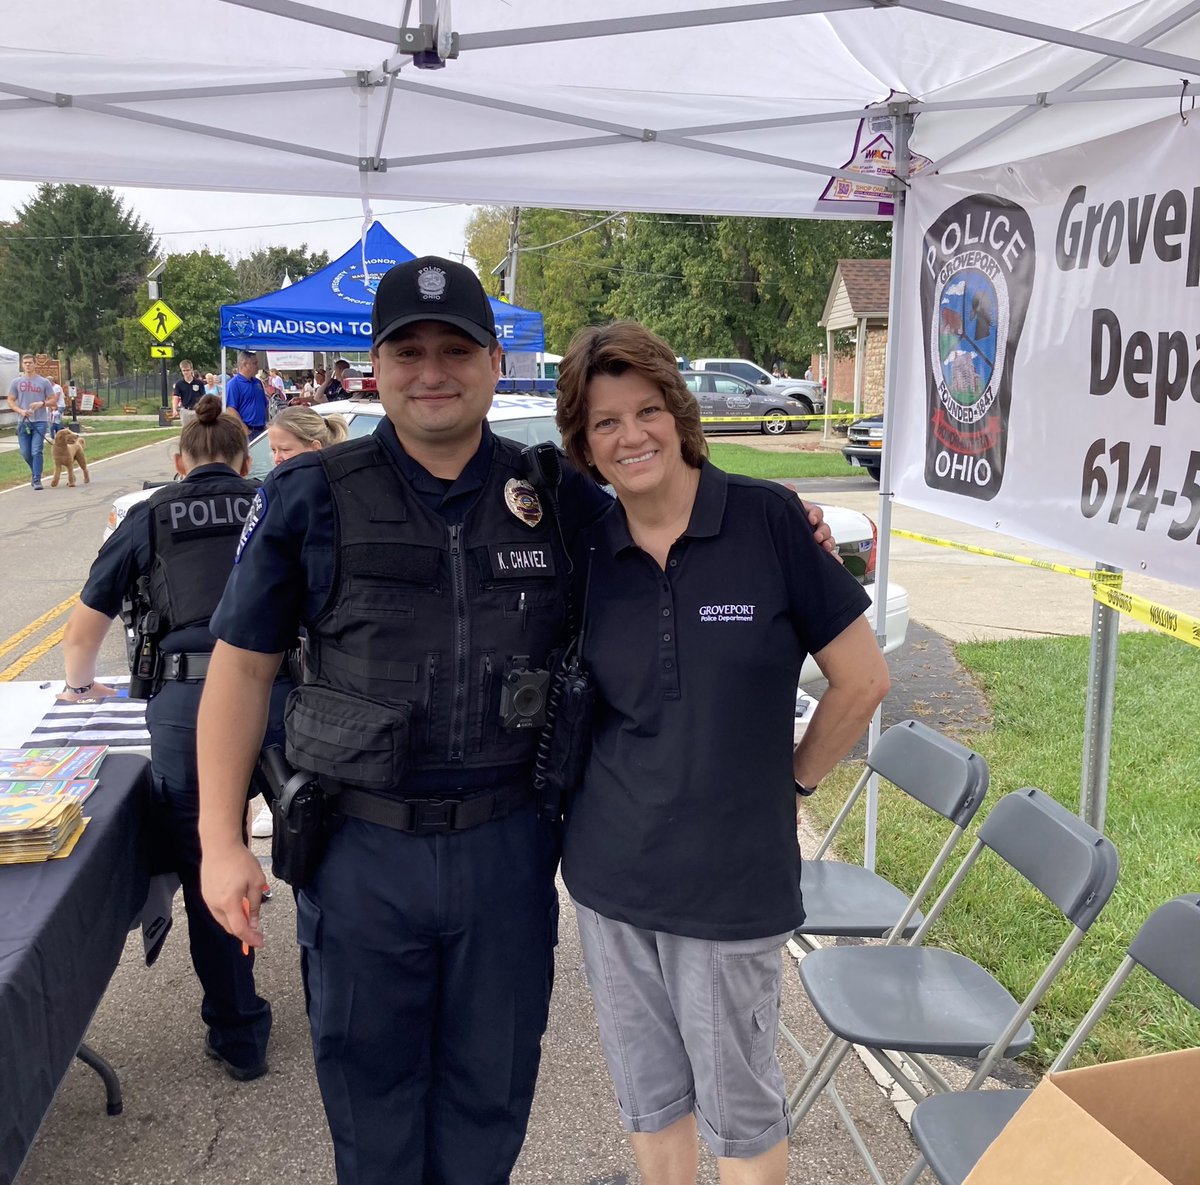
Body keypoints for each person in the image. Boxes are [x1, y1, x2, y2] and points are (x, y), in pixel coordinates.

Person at [196, 256, 835, 1185]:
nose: (432, 370)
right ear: (374, 365)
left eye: (455, 348)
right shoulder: (311, 495)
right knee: (371, 1105)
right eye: (407, 350)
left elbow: (666, 497)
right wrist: (222, 839)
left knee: (489, 1101)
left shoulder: (559, 499)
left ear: (497, 361)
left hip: (508, 848)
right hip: (361, 851)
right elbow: (241, 670)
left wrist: (781, 520)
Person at [553, 321, 890, 1185]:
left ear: (679, 410)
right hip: (611, 875)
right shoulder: (586, 549)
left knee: (741, 1113)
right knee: (650, 1097)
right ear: (583, 445)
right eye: (604, 423)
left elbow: (862, 680)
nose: (631, 435)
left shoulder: (770, 521)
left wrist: (797, 781)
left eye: (646, 410)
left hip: (731, 881)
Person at [59, 395, 289, 1082]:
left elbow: (85, 627)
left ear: (179, 460)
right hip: (290, 696)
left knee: (207, 864)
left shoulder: (149, 515)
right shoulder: (279, 500)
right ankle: (351, 1000)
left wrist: (78, 686)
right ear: (248, 459)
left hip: (192, 706)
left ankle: (241, 1034)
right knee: (328, 850)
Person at [244, 405, 351, 841]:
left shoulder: (346, 491)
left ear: (315, 447)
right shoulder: (280, 493)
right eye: (272, 451)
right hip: (295, 649)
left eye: (284, 450)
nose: (277, 459)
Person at [7, 354, 53, 490]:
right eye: (25, 363)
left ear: (35, 364)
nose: (28, 365)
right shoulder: (16, 382)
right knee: (25, 452)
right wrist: (20, 411)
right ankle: (35, 471)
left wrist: (41, 403)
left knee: (36, 450)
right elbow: (10, 400)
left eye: (30, 362)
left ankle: (37, 479)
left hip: (40, 420)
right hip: (23, 421)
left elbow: (53, 400)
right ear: (22, 365)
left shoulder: (43, 382)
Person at [224, 351, 270, 436]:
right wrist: (243, 428)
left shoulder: (258, 382)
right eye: (254, 363)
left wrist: (267, 422)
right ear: (245, 364)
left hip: (261, 428)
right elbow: (230, 409)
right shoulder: (233, 384)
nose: (258, 366)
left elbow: (264, 403)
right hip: (247, 430)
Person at [172, 360, 206, 425]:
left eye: (187, 370)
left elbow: (203, 397)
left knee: (198, 431)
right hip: (185, 410)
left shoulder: (199, 383)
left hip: (196, 411)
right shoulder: (179, 384)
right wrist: (174, 409)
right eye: (184, 371)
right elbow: (175, 397)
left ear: (191, 370)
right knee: (186, 432)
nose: (186, 372)